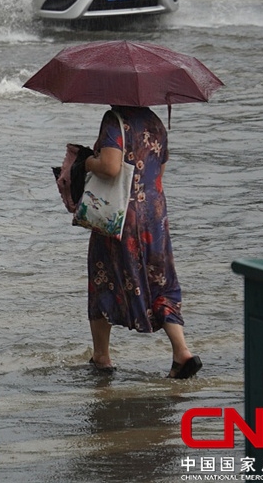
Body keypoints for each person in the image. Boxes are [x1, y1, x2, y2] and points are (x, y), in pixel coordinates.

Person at [83, 105, 202, 379]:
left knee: (102, 276)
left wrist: (88, 161)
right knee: (160, 280)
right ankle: (181, 351)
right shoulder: (155, 121)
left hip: (123, 215)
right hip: (155, 214)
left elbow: (111, 168)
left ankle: (102, 356)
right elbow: (159, 165)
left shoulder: (115, 120)